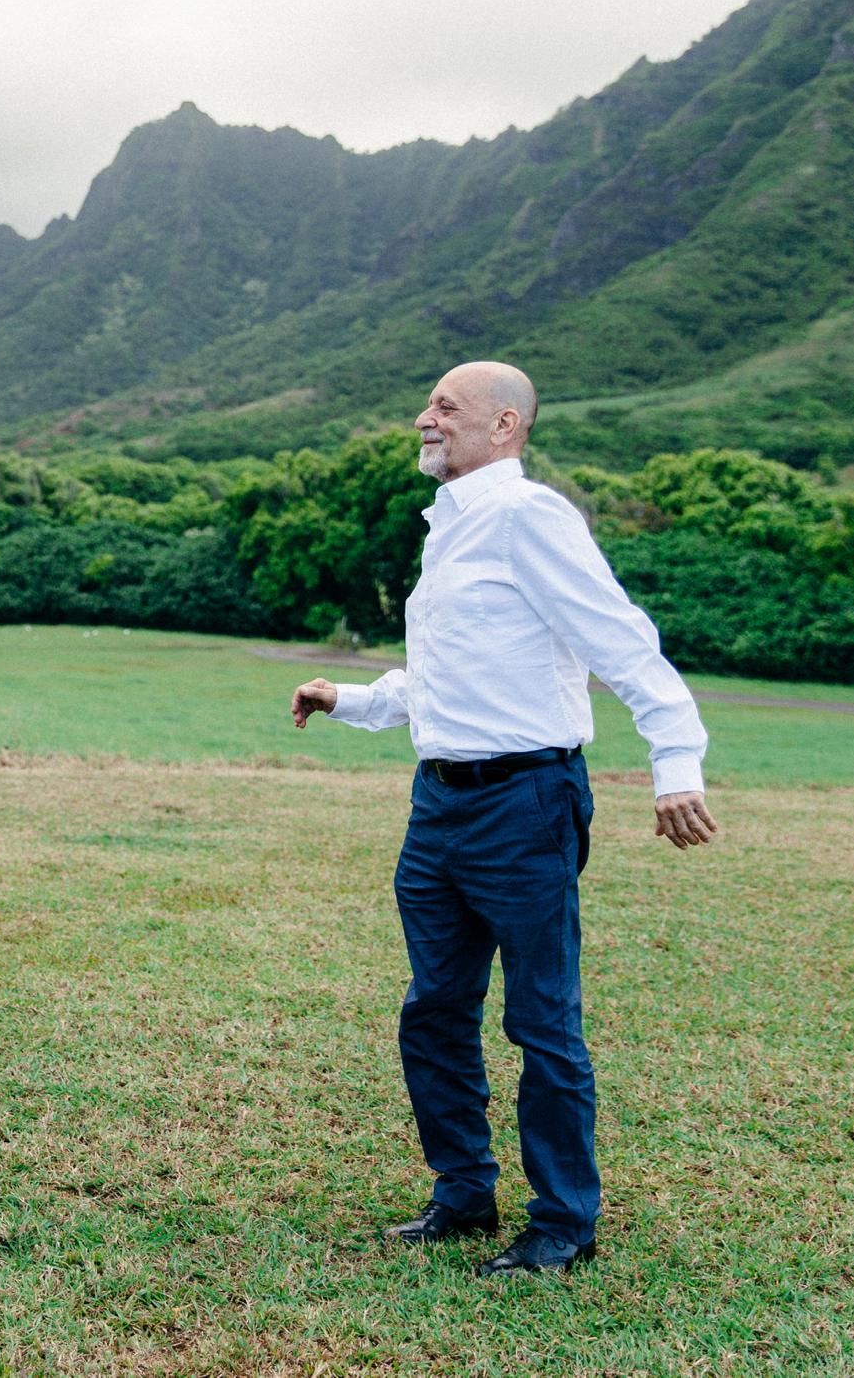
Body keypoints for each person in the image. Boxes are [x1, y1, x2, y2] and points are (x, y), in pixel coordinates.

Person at [290, 361, 720, 1278]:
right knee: (434, 1010)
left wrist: (675, 762)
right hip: (437, 802)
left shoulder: (530, 517)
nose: (424, 418)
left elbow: (622, 637)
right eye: (428, 405)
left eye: (446, 407)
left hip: (526, 802)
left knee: (542, 1020)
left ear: (507, 423)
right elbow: (453, 676)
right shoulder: (448, 532)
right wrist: (351, 696)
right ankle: (463, 1196)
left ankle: (564, 1222)